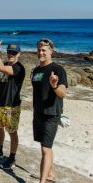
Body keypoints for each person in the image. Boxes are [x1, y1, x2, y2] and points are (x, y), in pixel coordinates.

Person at [31, 38, 67, 183]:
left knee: (46, 149)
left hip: (51, 114)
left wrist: (54, 85)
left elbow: (63, 93)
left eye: (44, 50)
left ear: (51, 51)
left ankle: (42, 181)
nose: (41, 52)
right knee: (44, 146)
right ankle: (51, 174)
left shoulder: (58, 70)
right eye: (39, 49)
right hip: (38, 113)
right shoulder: (36, 70)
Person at [0, 41, 25, 169]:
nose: (11, 54)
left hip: (12, 106)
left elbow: (1, 68)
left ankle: (12, 157)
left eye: (14, 52)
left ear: (19, 54)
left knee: (12, 131)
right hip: (1, 104)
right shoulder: (4, 65)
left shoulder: (19, 68)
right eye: (9, 52)